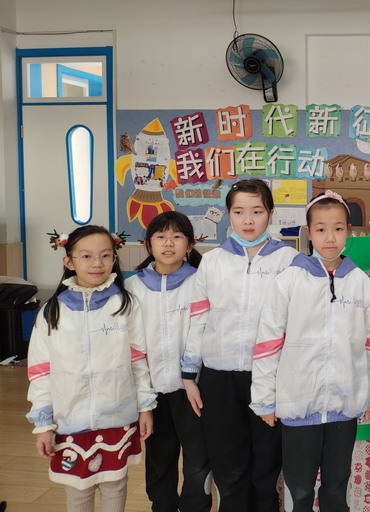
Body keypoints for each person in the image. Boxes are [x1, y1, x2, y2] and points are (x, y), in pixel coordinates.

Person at [251, 190, 370, 512]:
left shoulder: (359, 282)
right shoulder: (289, 280)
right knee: (299, 490)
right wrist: (265, 399)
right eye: (321, 229)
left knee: (337, 487)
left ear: (349, 232)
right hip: (298, 405)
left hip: (344, 405)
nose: (330, 237)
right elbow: (268, 343)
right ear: (308, 233)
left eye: (338, 228)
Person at [181, 179, 298, 512]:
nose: (248, 220)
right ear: (229, 214)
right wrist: (189, 375)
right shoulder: (213, 261)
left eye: (257, 211)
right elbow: (199, 319)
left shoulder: (289, 260)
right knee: (228, 466)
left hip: (271, 378)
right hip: (220, 378)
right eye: (239, 212)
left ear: (270, 213)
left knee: (266, 467)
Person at [26, 225, 156, 512]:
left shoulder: (125, 304)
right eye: (86, 256)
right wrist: (43, 425)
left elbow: (138, 360)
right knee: (78, 488)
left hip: (118, 415)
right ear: (69, 261)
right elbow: (40, 372)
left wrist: (145, 406)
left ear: (114, 259)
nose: (97, 263)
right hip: (69, 418)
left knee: (115, 484)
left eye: (105, 255)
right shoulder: (52, 311)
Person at [126, 211, 212, 512]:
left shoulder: (200, 282)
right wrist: (142, 394)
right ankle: (161, 506)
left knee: (198, 459)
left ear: (190, 245)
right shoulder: (134, 287)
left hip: (194, 389)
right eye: (160, 236)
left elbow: (202, 332)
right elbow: (132, 344)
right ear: (148, 244)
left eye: (177, 236)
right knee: (159, 458)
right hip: (152, 391)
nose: (168, 243)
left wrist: (190, 376)